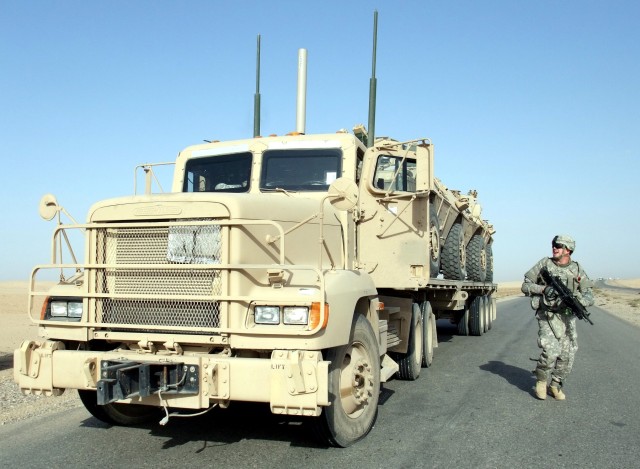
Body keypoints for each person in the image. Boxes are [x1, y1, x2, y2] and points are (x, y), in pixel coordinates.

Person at [521, 235, 594, 400]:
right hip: (548, 314)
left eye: (559, 246)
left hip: (567, 316)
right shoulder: (544, 264)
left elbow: (590, 295)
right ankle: (541, 380)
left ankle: (555, 384)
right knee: (551, 350)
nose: (555, 248)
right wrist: (543, 289)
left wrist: (577, 302)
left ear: (568, 250)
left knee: (568, 353)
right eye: (554, 245)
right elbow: (525, 285)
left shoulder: (577, 269)